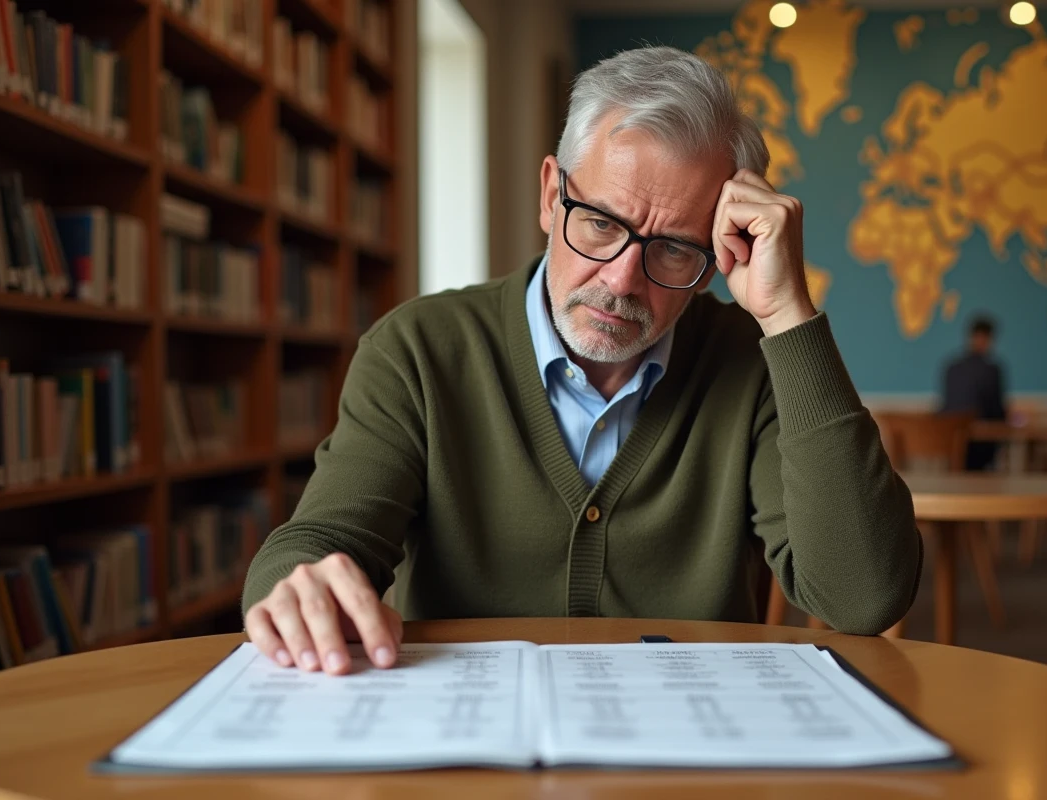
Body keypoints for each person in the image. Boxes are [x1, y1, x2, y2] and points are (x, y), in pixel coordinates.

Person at [241, 46, 922, 675]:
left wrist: (787, 315)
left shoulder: (756, 365)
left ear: (722, 253)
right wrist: (299, 586)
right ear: (549, 194)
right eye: (600, 223)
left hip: (685, 753)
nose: (623, 281)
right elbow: (323, 539)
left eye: (675, 249)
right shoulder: (417, 350)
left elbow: (862, 598)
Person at [940, 315, 1008, 470]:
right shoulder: (991, 369)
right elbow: (997, 411)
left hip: (948, 441)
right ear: (988, 339)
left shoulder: (951, 367)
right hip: (980, 444)